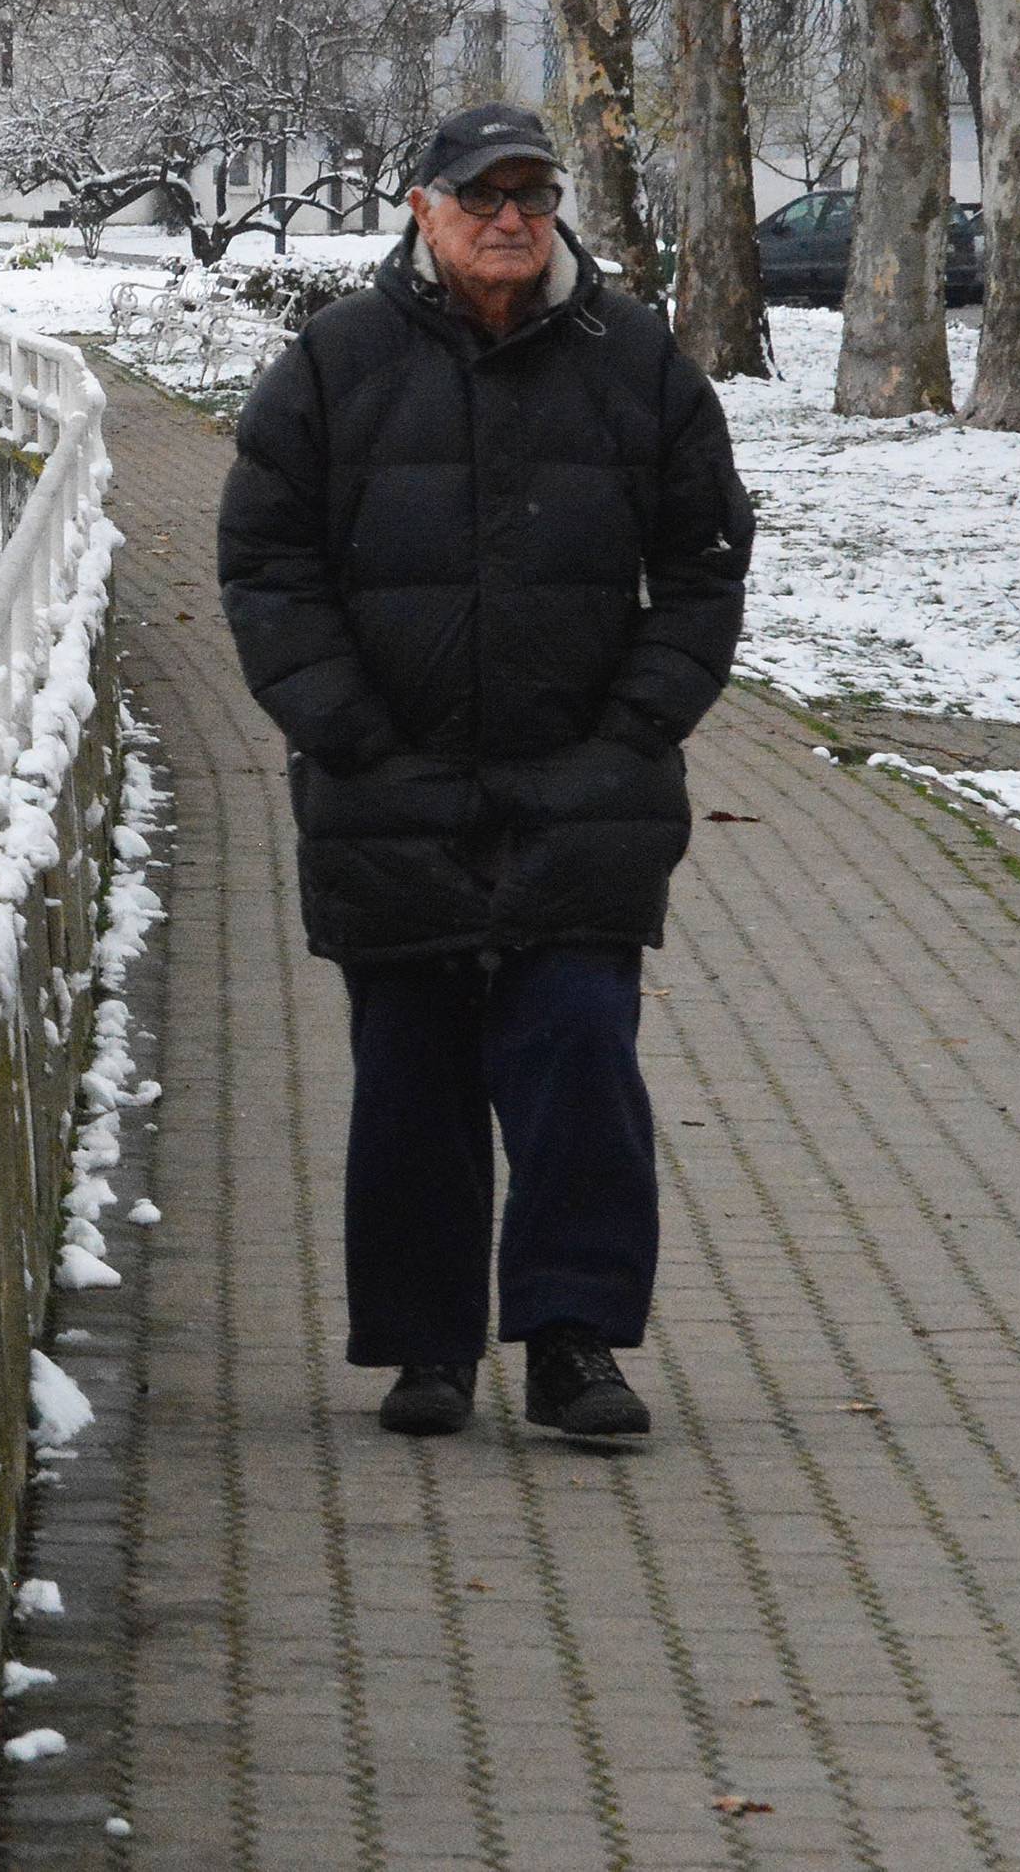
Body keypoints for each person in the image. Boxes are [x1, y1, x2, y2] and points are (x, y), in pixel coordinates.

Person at [218, 102, 754, 1441]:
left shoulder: (634, 361)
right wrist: (348, 731)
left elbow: (704, 562)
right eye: (482, 195)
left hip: (584, 787)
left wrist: (635, 728)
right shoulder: (335, 365)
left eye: (533, 193)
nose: (511, 218)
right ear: (420, 206)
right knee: (412, 1074)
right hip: (388, 785)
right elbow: (266, 566)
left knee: (580, 1055)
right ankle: (427, 1352)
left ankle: (574, 1345)